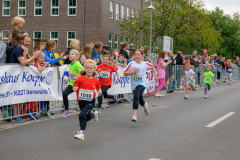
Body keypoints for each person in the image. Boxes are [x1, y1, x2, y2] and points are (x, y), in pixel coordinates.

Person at [11, 36, 41, 122]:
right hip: (15, 77)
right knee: (16, 97)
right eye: (26, 41)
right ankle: (15, 116)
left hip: (21, 77)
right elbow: (23, 62)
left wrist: (32, 56)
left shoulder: (23, 51)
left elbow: (26, 60)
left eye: (29, 41)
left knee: (20, 97)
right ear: (21, 41)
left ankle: (19, 115)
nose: (28, 43)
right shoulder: (17, 50)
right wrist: (33, 56)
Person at [124, 49, 158, 122]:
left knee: (136, 95)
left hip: (142, 84)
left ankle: (134, 115)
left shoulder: (145, 64)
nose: (136, 56)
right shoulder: (131, 64)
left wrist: (156, 74)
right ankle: (145, 106)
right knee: (140, 99)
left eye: (138, 54)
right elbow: (125, 73)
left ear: (142, 56)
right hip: (134, 85)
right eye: (135, 54)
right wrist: (133, 72)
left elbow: (152, 66)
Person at [73, 59, 101, 141]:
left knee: (81, 115)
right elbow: (75, 86)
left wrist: (99, 92)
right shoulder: (80, 79)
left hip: (90, 101)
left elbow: (99, 88)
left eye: (91, 68)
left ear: (94, 69)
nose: (89, 69)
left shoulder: (95, 80)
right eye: (87, 68)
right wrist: (75, 88)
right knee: (86, 116)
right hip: (81, 101)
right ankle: (94, 115)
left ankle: (82, 133)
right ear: (84, 69)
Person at [62, 49, 84, 117]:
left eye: (72, 54)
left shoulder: (77, 64)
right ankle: (66, 110)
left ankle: (89, 111)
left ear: (76, 56)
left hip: (79, 85)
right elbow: (72, 74)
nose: (70, 55)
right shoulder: (71, 64)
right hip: (72, 84)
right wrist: (70, 77)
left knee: (81, 101)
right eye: (70, 54)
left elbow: (82, 74)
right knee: (65, 93)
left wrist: (73, 74)